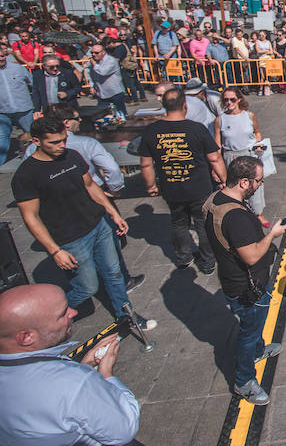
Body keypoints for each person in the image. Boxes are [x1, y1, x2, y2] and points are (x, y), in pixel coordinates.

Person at [12, 117, 155, 329]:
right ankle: (45, 322)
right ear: (36, 141)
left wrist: (113, 214)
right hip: (71, 238)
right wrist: (54, 251)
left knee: (114, 275)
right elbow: (30, 217)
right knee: (87, 287)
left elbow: (91, 186)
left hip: (99, 225)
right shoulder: (27, 175)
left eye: (63, 140)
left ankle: (127, 316)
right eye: (54, 142)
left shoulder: (72, 155)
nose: (61, 146)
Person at [24, 103, 143, 293]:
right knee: (110, 247)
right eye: (76, 118)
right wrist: (115, 190)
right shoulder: (84, 144)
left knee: (85, 255)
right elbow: (110, 169)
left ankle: (109, 287)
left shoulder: (31, 152)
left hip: (59, 211)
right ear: (66, 123)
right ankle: (121, 281)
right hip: (94, 199)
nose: (80, 121)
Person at [0, 284, 140, 445]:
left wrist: (84, 365)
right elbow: (123, 430)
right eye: (62, 314)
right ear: (26, 337)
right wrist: (105, 374)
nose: (73, 313)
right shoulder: (72, 383)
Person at [204, 156, 286, 406]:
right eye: (258, 181)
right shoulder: (236, 217)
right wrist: (272, 234)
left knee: (254, 328)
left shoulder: (214, 200)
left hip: (231, 278)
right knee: (248, 332)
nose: (259, 185)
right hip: (246, 286)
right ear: (243, 182)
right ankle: (244, 380)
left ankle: (260, 350)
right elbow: (250, 256)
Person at [139, 88, 226, 274]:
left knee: (178, 223)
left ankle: (183, 257)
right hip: (199, 188)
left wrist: (151, 185)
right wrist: (224, 179)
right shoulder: (197, 129)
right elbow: (215, 158)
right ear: (185, 105)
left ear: (163, 105)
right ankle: (208, 261)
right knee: (203, 224)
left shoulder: (151, 131)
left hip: (171, 187)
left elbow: (146, 165)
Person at [214, 88, 269, 227]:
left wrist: (258, 145)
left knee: (255, 185)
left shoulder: (249, 115)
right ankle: (240, 216)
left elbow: (257, 132)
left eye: (232, 99)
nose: (229, 102)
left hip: (248, 154)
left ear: (239, 99)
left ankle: (258, 214)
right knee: (234, 188)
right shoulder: (219, 120)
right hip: (230, 157)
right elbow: (218, 145)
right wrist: (215, 167)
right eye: (225, 100)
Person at [0, 48, 34, 162]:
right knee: (2, 138)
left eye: (2, 56)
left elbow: (32, 83)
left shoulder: (18, 68)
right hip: (2, 112)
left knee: (33, 135)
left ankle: (37, 160)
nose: (1, 58)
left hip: (24, 109)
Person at [88, 42, 127, 117]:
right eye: (92, 52)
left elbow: (103, 72)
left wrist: (95, 65)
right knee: (102, 115)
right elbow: (91, 74)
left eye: (96, 53)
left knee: (120, 115)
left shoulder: (111, 60)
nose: (93, 55)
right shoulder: (94, 62)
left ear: (103, 52)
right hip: (102, 94)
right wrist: (92, 86)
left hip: (115, 92)